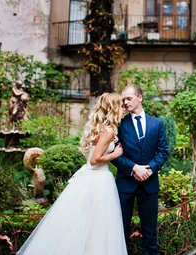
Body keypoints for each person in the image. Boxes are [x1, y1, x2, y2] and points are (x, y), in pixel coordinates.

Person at [17, 92, 128, 254]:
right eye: (121, 105)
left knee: (82, 223)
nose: (124, 108)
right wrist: (115, 154)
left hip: (90, 177)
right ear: (114, 108)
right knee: (98, 224)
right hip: (98, 179)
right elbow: (94, 160)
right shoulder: (108, 131)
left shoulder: (101, 127)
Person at [112, 84, 169, 255]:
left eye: (129, 98)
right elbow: (114, 154)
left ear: (140, 98)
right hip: (125, 184)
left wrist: (149, 169)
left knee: (150, 231)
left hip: (150, 184)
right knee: (120, 228)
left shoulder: (156, 123)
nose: (125, 102)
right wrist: (134, 168)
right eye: (123, 99)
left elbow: (163, 152)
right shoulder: (119, 123)